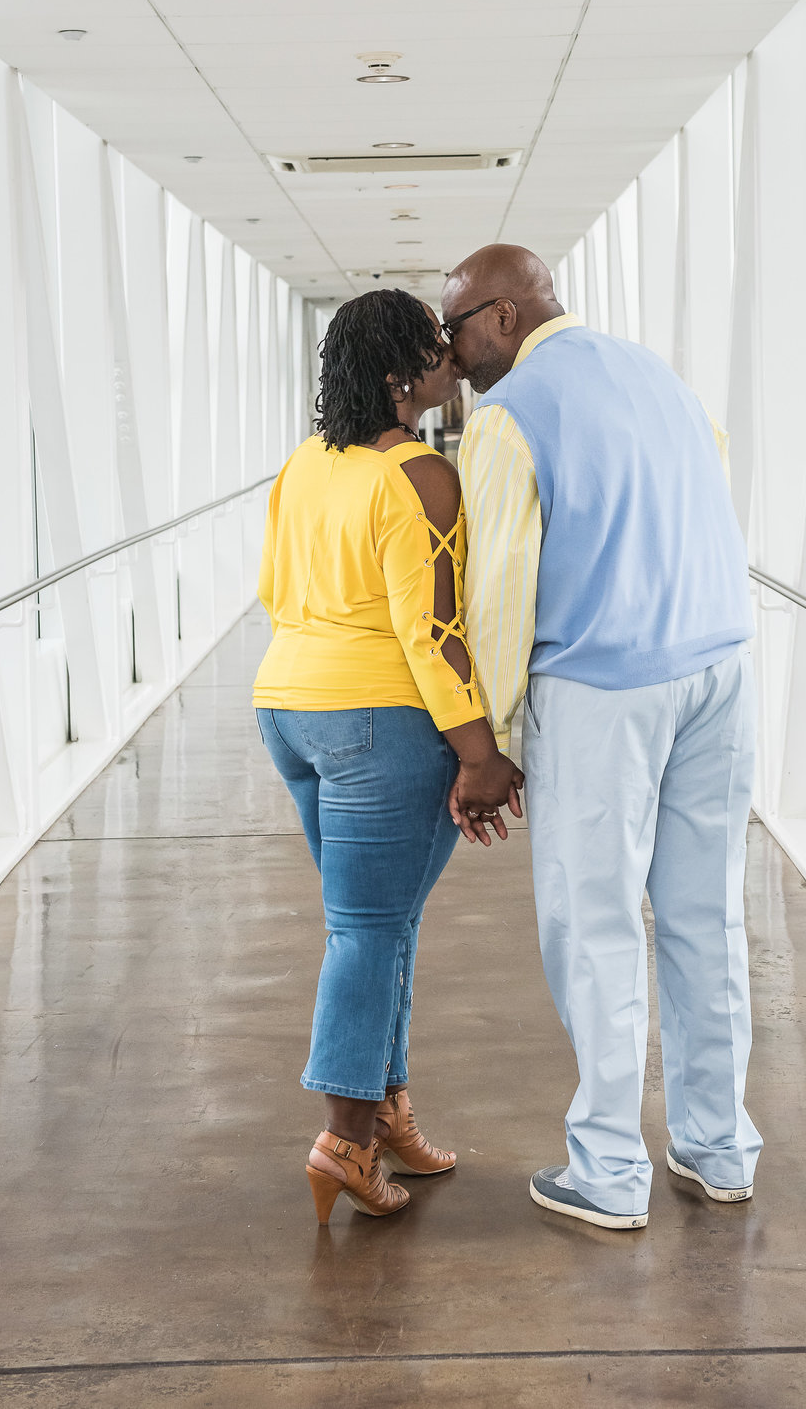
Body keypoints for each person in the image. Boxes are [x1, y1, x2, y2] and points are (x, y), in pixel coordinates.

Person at [442, 245, 760, 1232]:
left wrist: (489, 747)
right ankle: (718, 1148)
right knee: (708, 919)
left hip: (602, 684)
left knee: (596, 923)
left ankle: (611, 1170)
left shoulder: (510, 416)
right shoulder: (660, 375)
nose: (452, 364)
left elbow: (498, 588)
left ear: (500, 315)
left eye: (454, 335)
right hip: (720, 667)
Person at [254, 289, 523, 1226]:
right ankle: (344, 1140)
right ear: (401, 375)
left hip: (289, 709)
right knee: (368, 932)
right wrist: (480, 752)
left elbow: (273, 590)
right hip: (377, 721)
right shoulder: (418, 476)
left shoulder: (301, 466)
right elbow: (433, 631)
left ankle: (390, 1109)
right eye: (436, 356)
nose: (454, 367)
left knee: (382, 919)